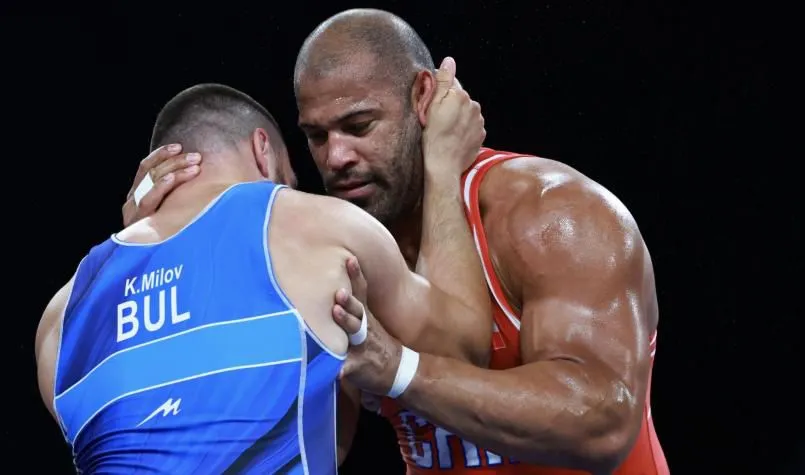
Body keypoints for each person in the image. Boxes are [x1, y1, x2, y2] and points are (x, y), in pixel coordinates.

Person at [124, 8, 669, 475]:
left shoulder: (550, 213)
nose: (335, 158)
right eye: (316, 136)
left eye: (359, 126)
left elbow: (603, 421)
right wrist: (158, 248)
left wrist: (401, 370)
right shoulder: (336, 245)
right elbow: (312, 448)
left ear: (423, 98)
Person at [35, 68, 491, 474]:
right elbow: (467, 350)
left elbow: (176, 436)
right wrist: (443, 166)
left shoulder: (61, 317)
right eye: (289, 178)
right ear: (263, 152)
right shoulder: (313, 225)